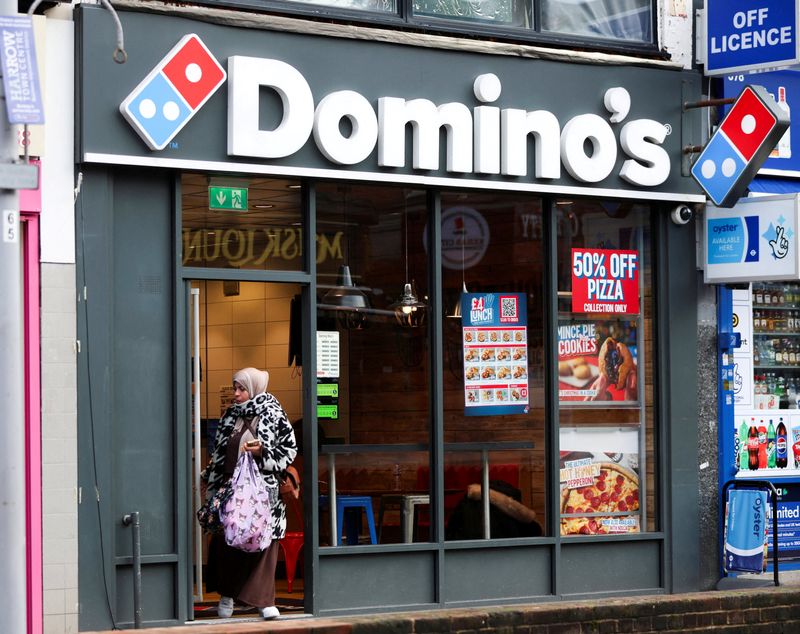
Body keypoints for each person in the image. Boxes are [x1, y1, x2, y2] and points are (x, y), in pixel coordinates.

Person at [200, 367, 297, 620]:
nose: (236, 394)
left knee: (264, 542)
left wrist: (262, 453)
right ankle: (227, 595)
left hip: (264, 494)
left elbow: (289, 451)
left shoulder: (273, 413)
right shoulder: (231, 416)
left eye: (241, 388)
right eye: (235, 388)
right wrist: (208, 477)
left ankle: (265, 602)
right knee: (229, 541)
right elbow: (219, 453)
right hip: (232, 491)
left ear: (254, 388)